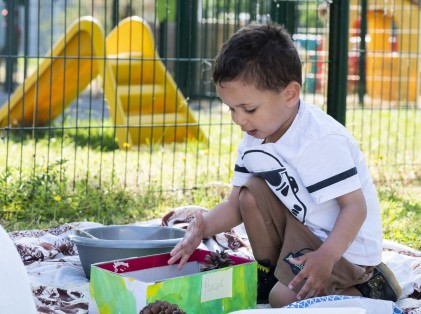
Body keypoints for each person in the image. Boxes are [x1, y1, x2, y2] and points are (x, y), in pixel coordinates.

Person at [168, 22, 402, 307]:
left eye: (248, 109)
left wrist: (326, 257)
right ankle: (270, 275)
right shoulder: (256, 135)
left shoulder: (319, 140)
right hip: (303, 234)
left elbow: (355, 207)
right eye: (231, 108)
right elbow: (234, 205)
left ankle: (371, 289)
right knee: (250, 194)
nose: (238, 120)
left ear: (290, 94)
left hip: (346, 251)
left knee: (282, 300)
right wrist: (201, 228)